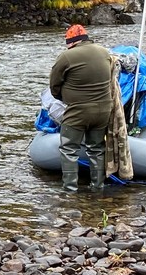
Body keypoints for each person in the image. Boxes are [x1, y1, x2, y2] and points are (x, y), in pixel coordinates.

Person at [48, 24, 113, 192]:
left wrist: (61, 97)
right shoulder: (104, 52)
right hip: (104, 110)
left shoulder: (67, 56)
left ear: (70, 42)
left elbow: (54, 84)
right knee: (97, 148)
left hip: (78, 111)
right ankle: (97, 186)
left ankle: (70, 189)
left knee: (69, 149)